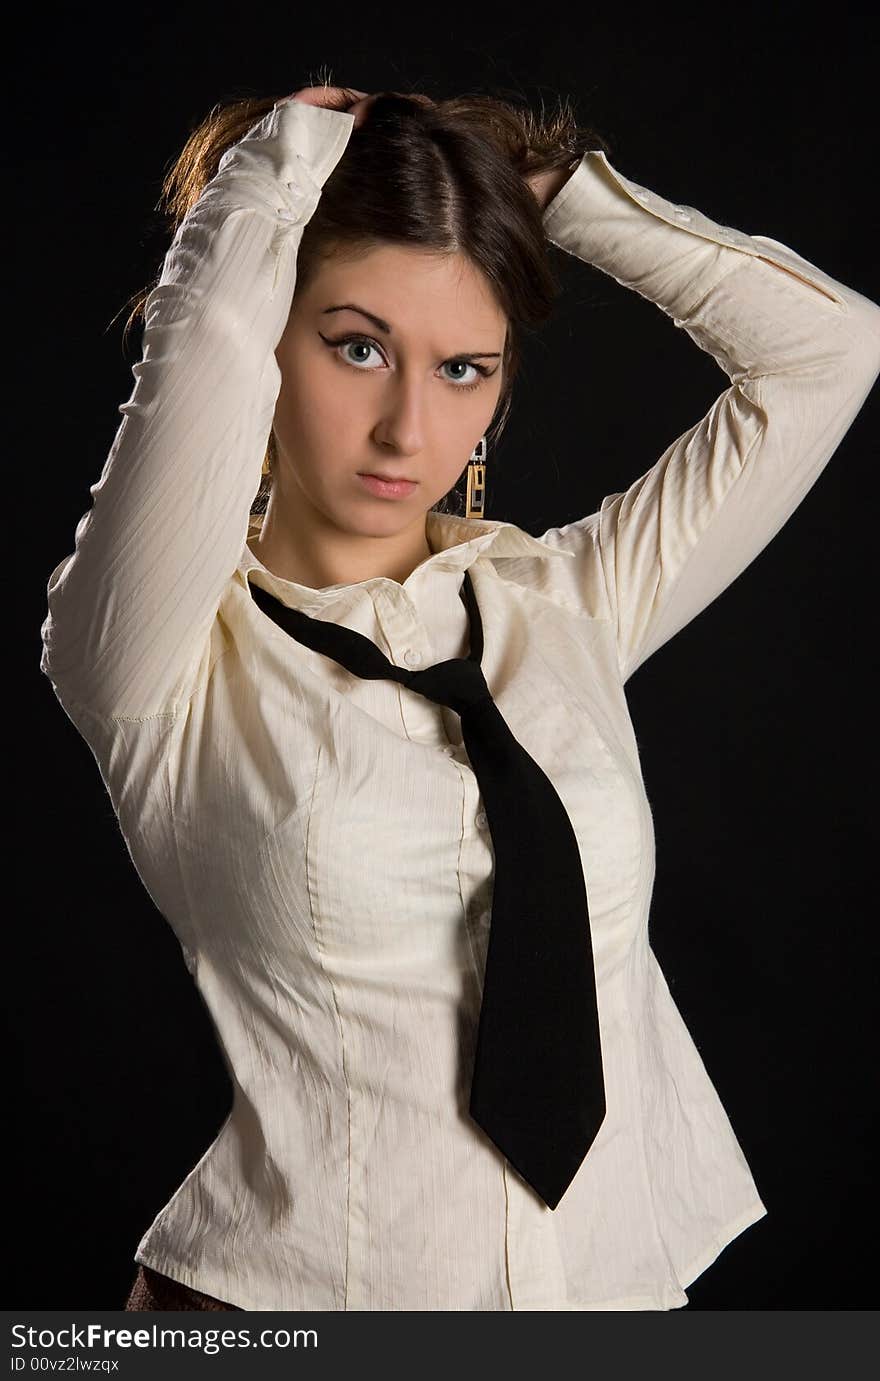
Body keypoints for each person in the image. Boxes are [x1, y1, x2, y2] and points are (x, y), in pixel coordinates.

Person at [40, 78, 879, 1313]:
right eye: (357, 345)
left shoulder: (564, 605)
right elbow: (200, 350)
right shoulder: (153, 653)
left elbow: (829, 352)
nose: (404, 429)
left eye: (464, 366)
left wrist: (566, 201)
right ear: (268, 330)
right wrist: (273, 171)